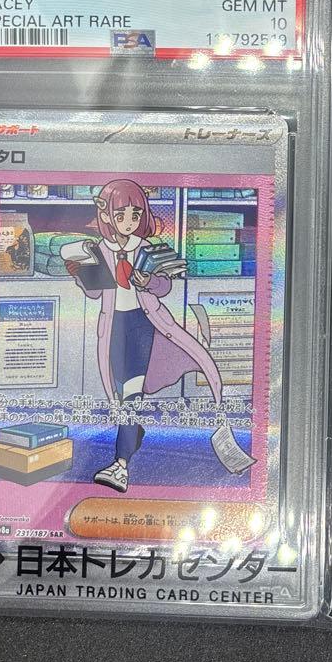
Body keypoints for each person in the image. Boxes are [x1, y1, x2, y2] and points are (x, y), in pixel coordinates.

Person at [64, 178, 234, 493]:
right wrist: (81, 275)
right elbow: (97, 292)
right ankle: (134, 434)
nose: (129, 222)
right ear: (106, 215)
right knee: (121, 395)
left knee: (130, 396)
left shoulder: (147, 248)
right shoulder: (100, 249)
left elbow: (165, 285)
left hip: (145, 326)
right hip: (114, 328)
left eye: (135, 214)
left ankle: (120, 465)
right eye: (121, 215)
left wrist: (148, 282)